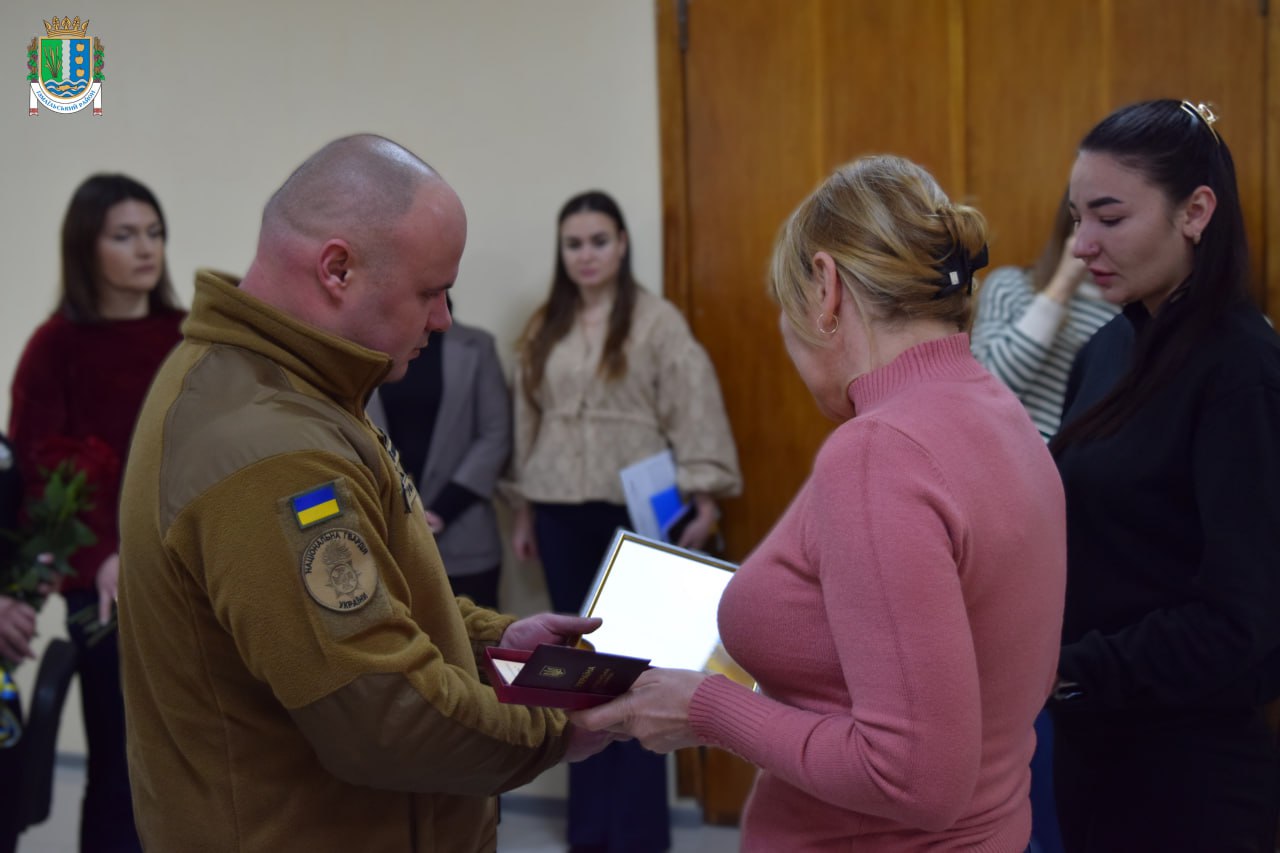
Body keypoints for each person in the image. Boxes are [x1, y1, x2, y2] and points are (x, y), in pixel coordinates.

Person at [116, 135, 612, 852]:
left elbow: (372, 602)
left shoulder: (285, 385)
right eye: (429, 291)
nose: (442, 318)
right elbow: (384, 715)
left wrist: (491, 642)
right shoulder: (270, 448)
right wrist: (564, 727)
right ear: (338, 268)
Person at [573, 155, 1067, 851]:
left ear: (826, 287)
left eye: (785, 303)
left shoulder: (878, 450)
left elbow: (914, 777)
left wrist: (707, 708)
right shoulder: (997, 411)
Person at [1048, 99, 1280, 851]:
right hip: (1092, 750)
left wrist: (1070, 670)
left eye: (1109, 218)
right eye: (1076, 218)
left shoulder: (1242, 370)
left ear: (1196, 211)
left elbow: (1240, 618)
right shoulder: (1106, 352)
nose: (1081, 245)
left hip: (1189, 775)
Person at [509, 189, 741, 852]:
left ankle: (639, 832)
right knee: (574, 669)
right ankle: (591, 830)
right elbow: (526, 415)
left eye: (599, 240)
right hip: (556, 506)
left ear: (622, 243)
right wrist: (522, 505)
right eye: (574, 243)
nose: (586, 255)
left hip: (631, 510)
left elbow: (693, 403)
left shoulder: (656, 321)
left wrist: (704, 495)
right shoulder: (541, 326)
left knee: (636, 665)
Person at [8, 173, 186, 853]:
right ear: (87, 248)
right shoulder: (55, 346)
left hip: (184, 576)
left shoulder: (185, 334)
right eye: (125, 235)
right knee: (118, 767)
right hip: (101, 590)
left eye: (154, 231)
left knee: (188, 764)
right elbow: (36, 475)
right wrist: (102, 554)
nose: (147, 249)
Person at [368, 298, 511, 609]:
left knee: (477, 645)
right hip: (386, 536)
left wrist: (443, 510)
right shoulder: (366, 344)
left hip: (464, 534)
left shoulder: (477, 345)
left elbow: (495, 434)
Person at [970, 194, 1118, 440]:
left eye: (1110, 220)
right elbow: (987, 388)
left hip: (1069, 469)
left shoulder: (1124, 321)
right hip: (999, 454)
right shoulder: (1009, 287)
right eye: (1082, 219)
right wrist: (1061, 287)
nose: (1095, 237)